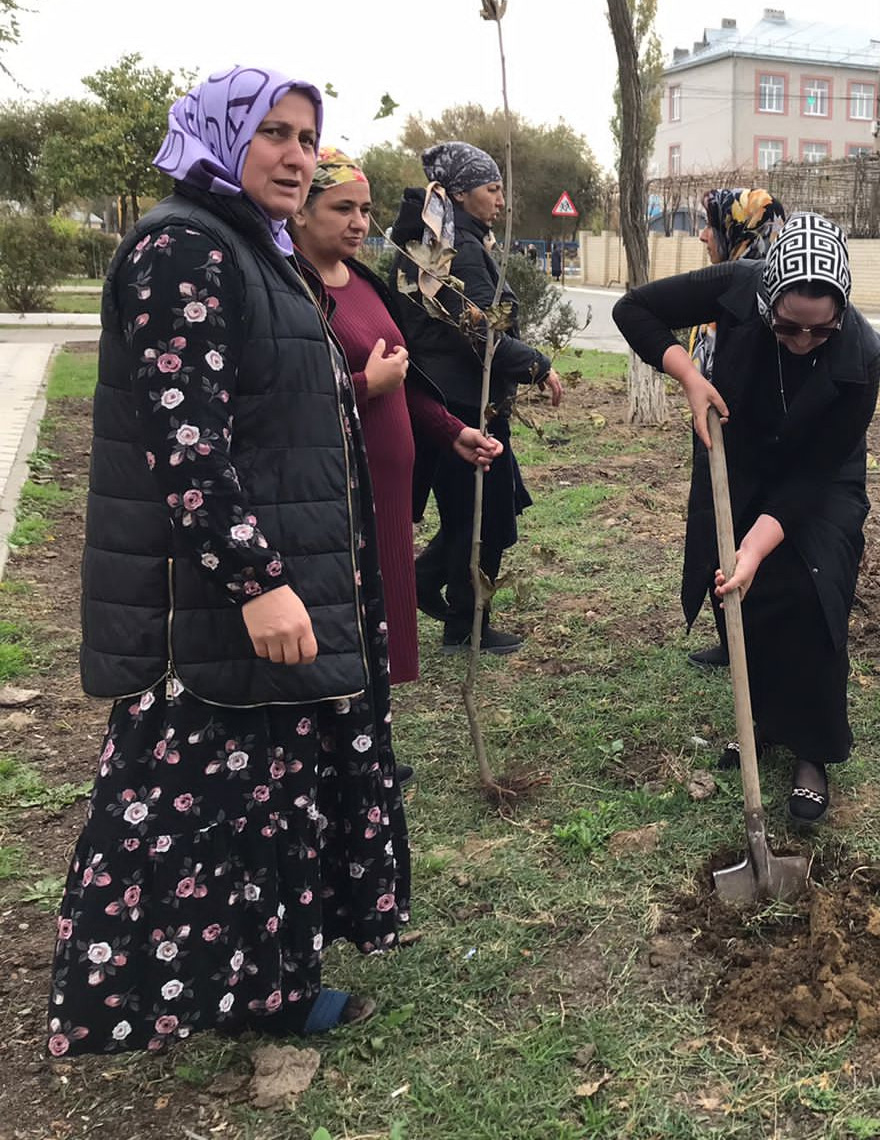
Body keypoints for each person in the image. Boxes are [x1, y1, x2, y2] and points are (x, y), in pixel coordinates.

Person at [50, 67, 409, 1056]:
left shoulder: (253, 247)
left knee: (271, 808)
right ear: (220, 135)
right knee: (201, 816)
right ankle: (175, 998)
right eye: (275, 134)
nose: (296, 155)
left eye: (307, 137)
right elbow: (185, 443)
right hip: (220, 603)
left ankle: (275, 988)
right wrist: (256, 580)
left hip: (281, 585)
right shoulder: (182, 248)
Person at [613, 213, 880, 824]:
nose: (802, 342)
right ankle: (763, 722)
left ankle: (812, 751)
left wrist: (759, 545)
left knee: (814, 592)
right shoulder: (738, 284)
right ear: (766, 300)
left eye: (820, 332)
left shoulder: (859, 359)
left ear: (840, 313)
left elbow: (814, 476)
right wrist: (688, 376)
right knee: (743, 595)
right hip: (739, 455)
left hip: (823, 477)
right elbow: (634, 310)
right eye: (788, 328)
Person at [288, 147, 503, 685]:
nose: (360, 222)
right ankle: (353, 755)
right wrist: (365, 385)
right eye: (343, 209)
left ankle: (375, 750)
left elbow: (400, 381)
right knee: (338, 631)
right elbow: (286, 399)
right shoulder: (290, 288)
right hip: (332, 496)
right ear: (299, 211)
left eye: (364, 208)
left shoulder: (360, 282)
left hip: (385, 496)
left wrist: (452, 431)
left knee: (379, 629)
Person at [388, 142, 563, 655]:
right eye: (493, 188)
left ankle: (451, 608)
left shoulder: (445, 239)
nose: (502, 200)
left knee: (487, 511)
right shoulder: (457, 248)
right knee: (483, 518)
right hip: (464, 406)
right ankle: (465, 624)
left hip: (459, 399)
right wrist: (540, 366)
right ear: (461, 192)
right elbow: (481, 332)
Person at [678, 187, 788, 670]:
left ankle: (751, 641)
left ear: (737, 231)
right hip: (717, 440)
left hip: (751, 451)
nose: (704, 235)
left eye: (711, 225)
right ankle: (732, 639)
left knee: (744, 540)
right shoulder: (725, 286)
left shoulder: (770, 296)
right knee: (715, 534)